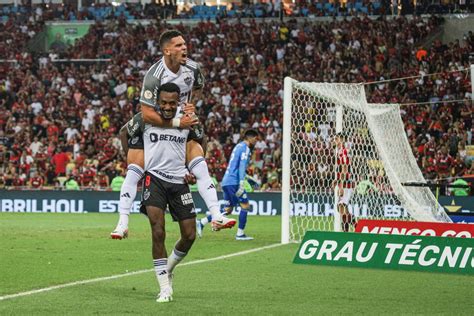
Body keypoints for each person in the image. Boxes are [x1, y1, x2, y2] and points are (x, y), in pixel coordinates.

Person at [111, 29, 236, 239]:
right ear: (167, 50)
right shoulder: (154, 75)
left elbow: (198, 88)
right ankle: (122, 222)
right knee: (132, 157)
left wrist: (190, 106)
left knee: (200, 144)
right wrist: (178, 122)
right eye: (178, 45)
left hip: (180, 116)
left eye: (184, 44)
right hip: (155, 118)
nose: (184, 48)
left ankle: (216, 214)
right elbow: (147, 113)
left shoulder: (193, 69)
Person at [140, 82, 198, 303]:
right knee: (158, 230)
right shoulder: (147, 118)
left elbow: (198, 143)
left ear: (178, 102)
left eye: (172, 103)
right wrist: (135, 160)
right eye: (163, 102)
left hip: (179, 181)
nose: (166, 106)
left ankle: (169, 268)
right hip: (153, 178)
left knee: (190, 235)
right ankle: (165, 288)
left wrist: (192, 168)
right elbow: (124, 133)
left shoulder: (187, 121)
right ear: (157, 101)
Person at [196, 129, 259, 240]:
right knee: (245, 206)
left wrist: (248, 179)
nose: (256, 141)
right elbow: (241, 166)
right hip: (234, 182)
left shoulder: (238, 147)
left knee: (228, 210)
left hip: (227, 181)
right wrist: (241, 184)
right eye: (256, 139)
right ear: (250, 138)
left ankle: (201, 222)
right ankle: (240, 234)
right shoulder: (245, 148)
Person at [334, 132, 356, 232]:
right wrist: (336, 180)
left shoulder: (343, 151)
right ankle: (354, 227)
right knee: (342, 208)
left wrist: (341, 185)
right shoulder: (339, 151)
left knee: (341, 206)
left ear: (342, 140)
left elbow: (345, 168)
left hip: (346, 184)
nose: (335, 141)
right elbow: (340, 169)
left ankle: (350, 229)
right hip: (343, 182)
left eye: (337, 139)